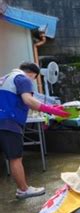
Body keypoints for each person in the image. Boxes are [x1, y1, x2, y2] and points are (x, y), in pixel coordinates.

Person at [0, 62, 69, 199]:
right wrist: (52, 111)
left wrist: (52, 108)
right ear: (33, 74)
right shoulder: (23, 79)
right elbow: (28, 100)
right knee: (15, 158)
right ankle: (23, 190)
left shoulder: (5, 78)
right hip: (9, 122)